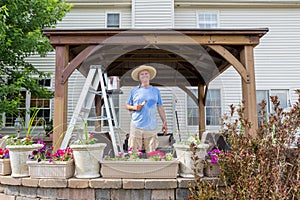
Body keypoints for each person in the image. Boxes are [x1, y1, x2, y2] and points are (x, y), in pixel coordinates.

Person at [126, 65, 168, 153]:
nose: (144, 75)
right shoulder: (134, 90)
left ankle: (151, 166)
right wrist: (134, 107)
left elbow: (160, 107)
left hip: (151, 126)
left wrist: (164, 122)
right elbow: (127, 105)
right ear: (139, 77)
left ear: (149, 76)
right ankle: (133, 165)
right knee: (134, 151)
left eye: (146, 73)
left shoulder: (156, 91)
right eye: (142, 74)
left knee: (151, 152)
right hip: (136, 124)